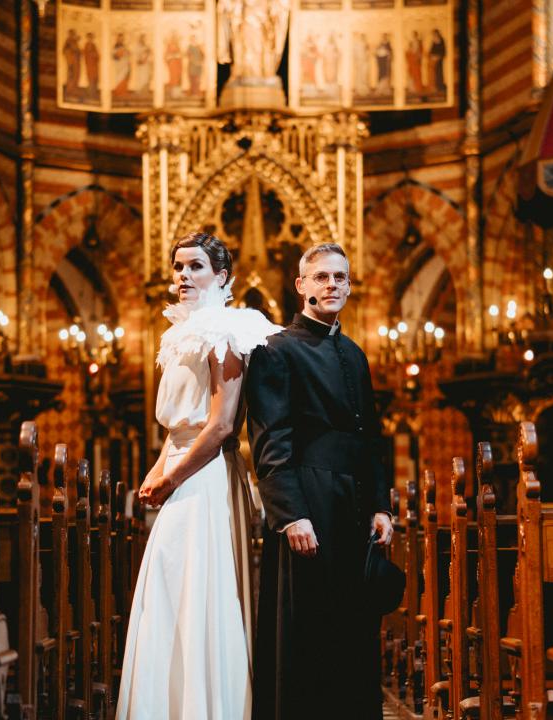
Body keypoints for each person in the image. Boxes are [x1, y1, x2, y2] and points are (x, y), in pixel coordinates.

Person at [116, 232, 281, 720]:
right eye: (178, 267)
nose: (183, 276)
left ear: (221, 276)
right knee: (168, 588)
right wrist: (156, 472)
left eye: (195, 267)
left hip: (206, 477)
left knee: (198, 590)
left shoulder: (228, 332)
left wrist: (171, 479)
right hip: (180, 467)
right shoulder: (176, 334)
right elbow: (175, 429)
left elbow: (222, 424)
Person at [245, 242, 394, 720]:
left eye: (341, 278)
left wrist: (381, 506)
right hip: (307, 503)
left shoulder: (354, 353)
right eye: (323, 277)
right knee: (306, 632)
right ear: (301, 285)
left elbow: (371, 438)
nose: (333, 285)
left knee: (353, 629)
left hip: (352, 508)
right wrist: (290, 516)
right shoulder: (276, 350)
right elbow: (271, 440)